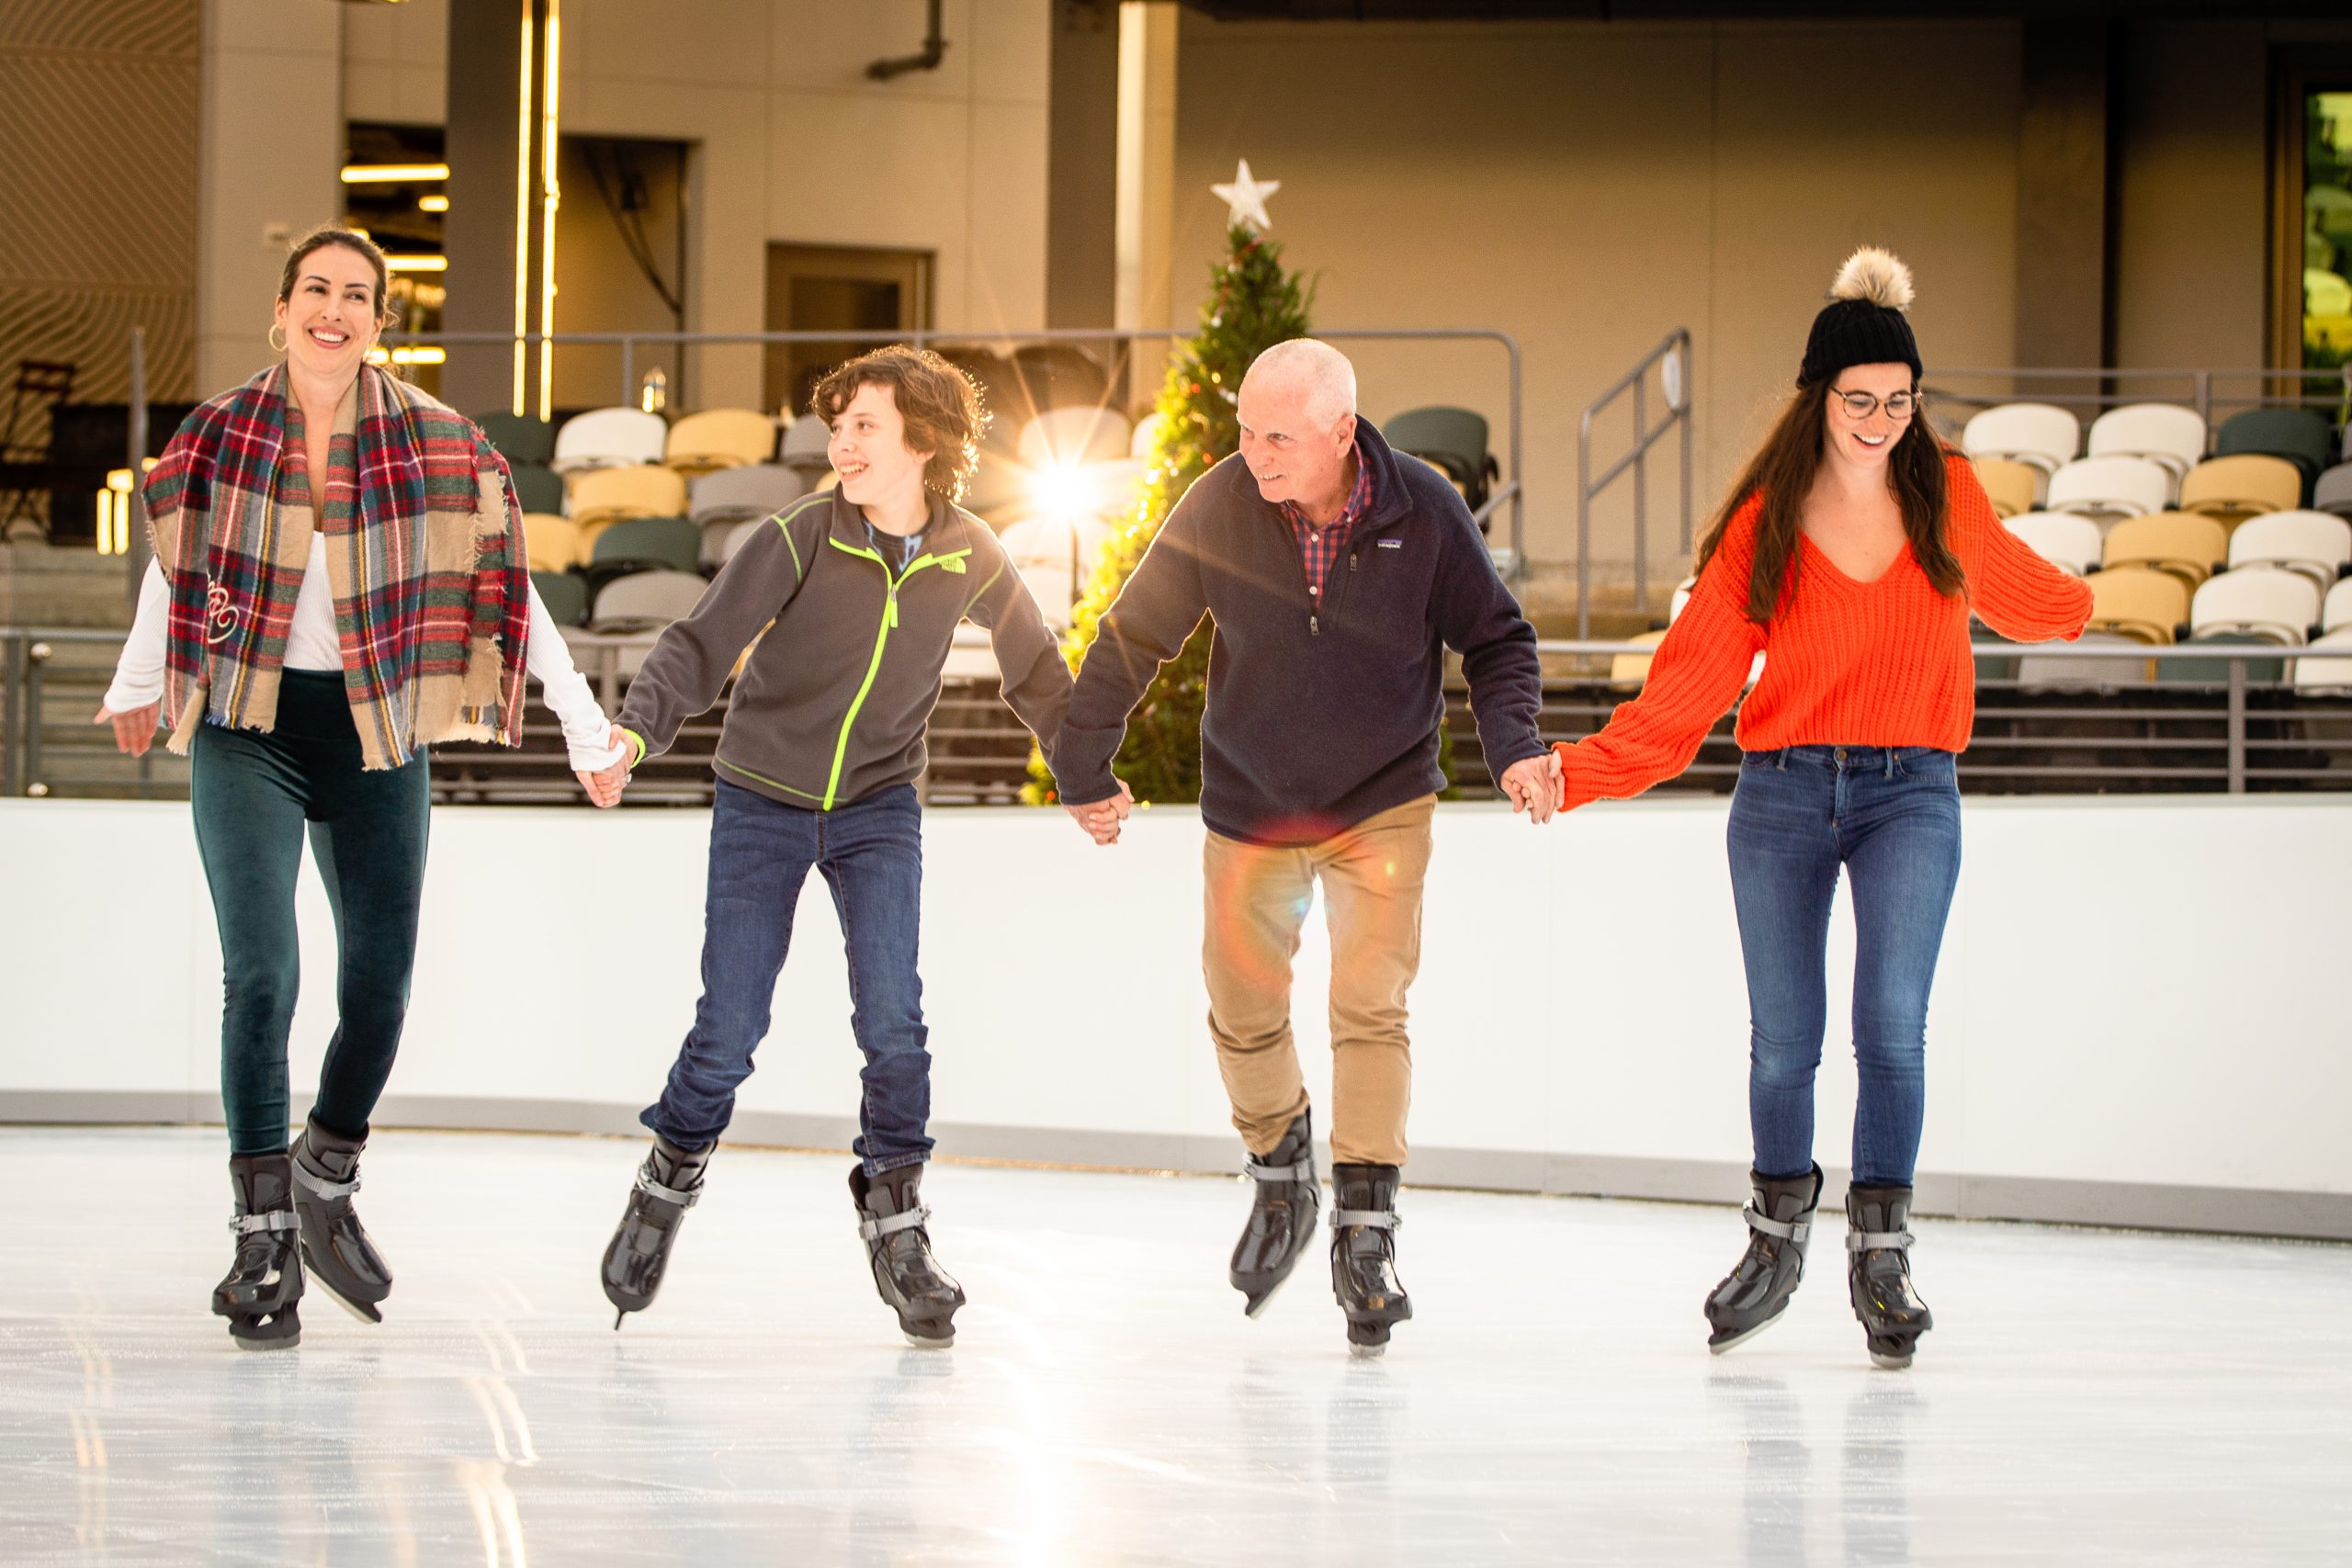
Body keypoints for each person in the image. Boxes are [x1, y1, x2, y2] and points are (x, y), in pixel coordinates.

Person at [1546, 248, 2095, 1369]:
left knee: (1891, 1030)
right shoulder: (1766, 523)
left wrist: (2088, 601)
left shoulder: (1947, 492)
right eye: (1860, 401)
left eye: (1898, 401)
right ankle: (1776, 1239)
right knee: (1782, 1044)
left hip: (1912, 794)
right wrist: (1577, 771)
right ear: (1820, 399)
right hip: (1784, 795)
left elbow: (2030, 594)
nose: (1881, 420)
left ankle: (1880, 1255)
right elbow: (1686, 694)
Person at [97, 224, 627, 1349]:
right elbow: (176, 562)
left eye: (357, 296)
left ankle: (326, 1168)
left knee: (380, 989)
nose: (333, 310)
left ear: (381, 322)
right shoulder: (223, 433)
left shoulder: (437, 443)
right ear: (281, 311)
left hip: (378, 729)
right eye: (315, 291)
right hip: (249, 724)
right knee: (263, 976)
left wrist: (586, 727)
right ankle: (262, 1233)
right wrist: (141, 678)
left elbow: (507, 591)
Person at [1055, 338, 1554, 1356]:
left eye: (1275, 435)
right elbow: (1132, 634)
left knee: (1368, 1005)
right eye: (1242, 428)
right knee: (1240, 1008)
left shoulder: (1422, 510)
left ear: (1339, 432)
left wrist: (1514, 749)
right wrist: (1081, 766)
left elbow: (1497, 639)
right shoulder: (1221, 503)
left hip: (1381, 800)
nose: (1252, 451)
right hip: (1253, 800)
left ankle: (1365, 1232)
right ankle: (1281, 1171)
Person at [593, 344, 1072, 1349]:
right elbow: (700, 642)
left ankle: (897, 1223)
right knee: (730, 1027)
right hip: (760, 796)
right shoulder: (801, 534)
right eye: (837, 424)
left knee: (894, 1020)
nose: (839, 442)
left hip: (877, 806)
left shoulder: (967, 550)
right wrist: (634, 732)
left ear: (922, 442)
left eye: (864, 425)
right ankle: (667, 1175)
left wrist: (1085, 772)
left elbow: (1034, 667)